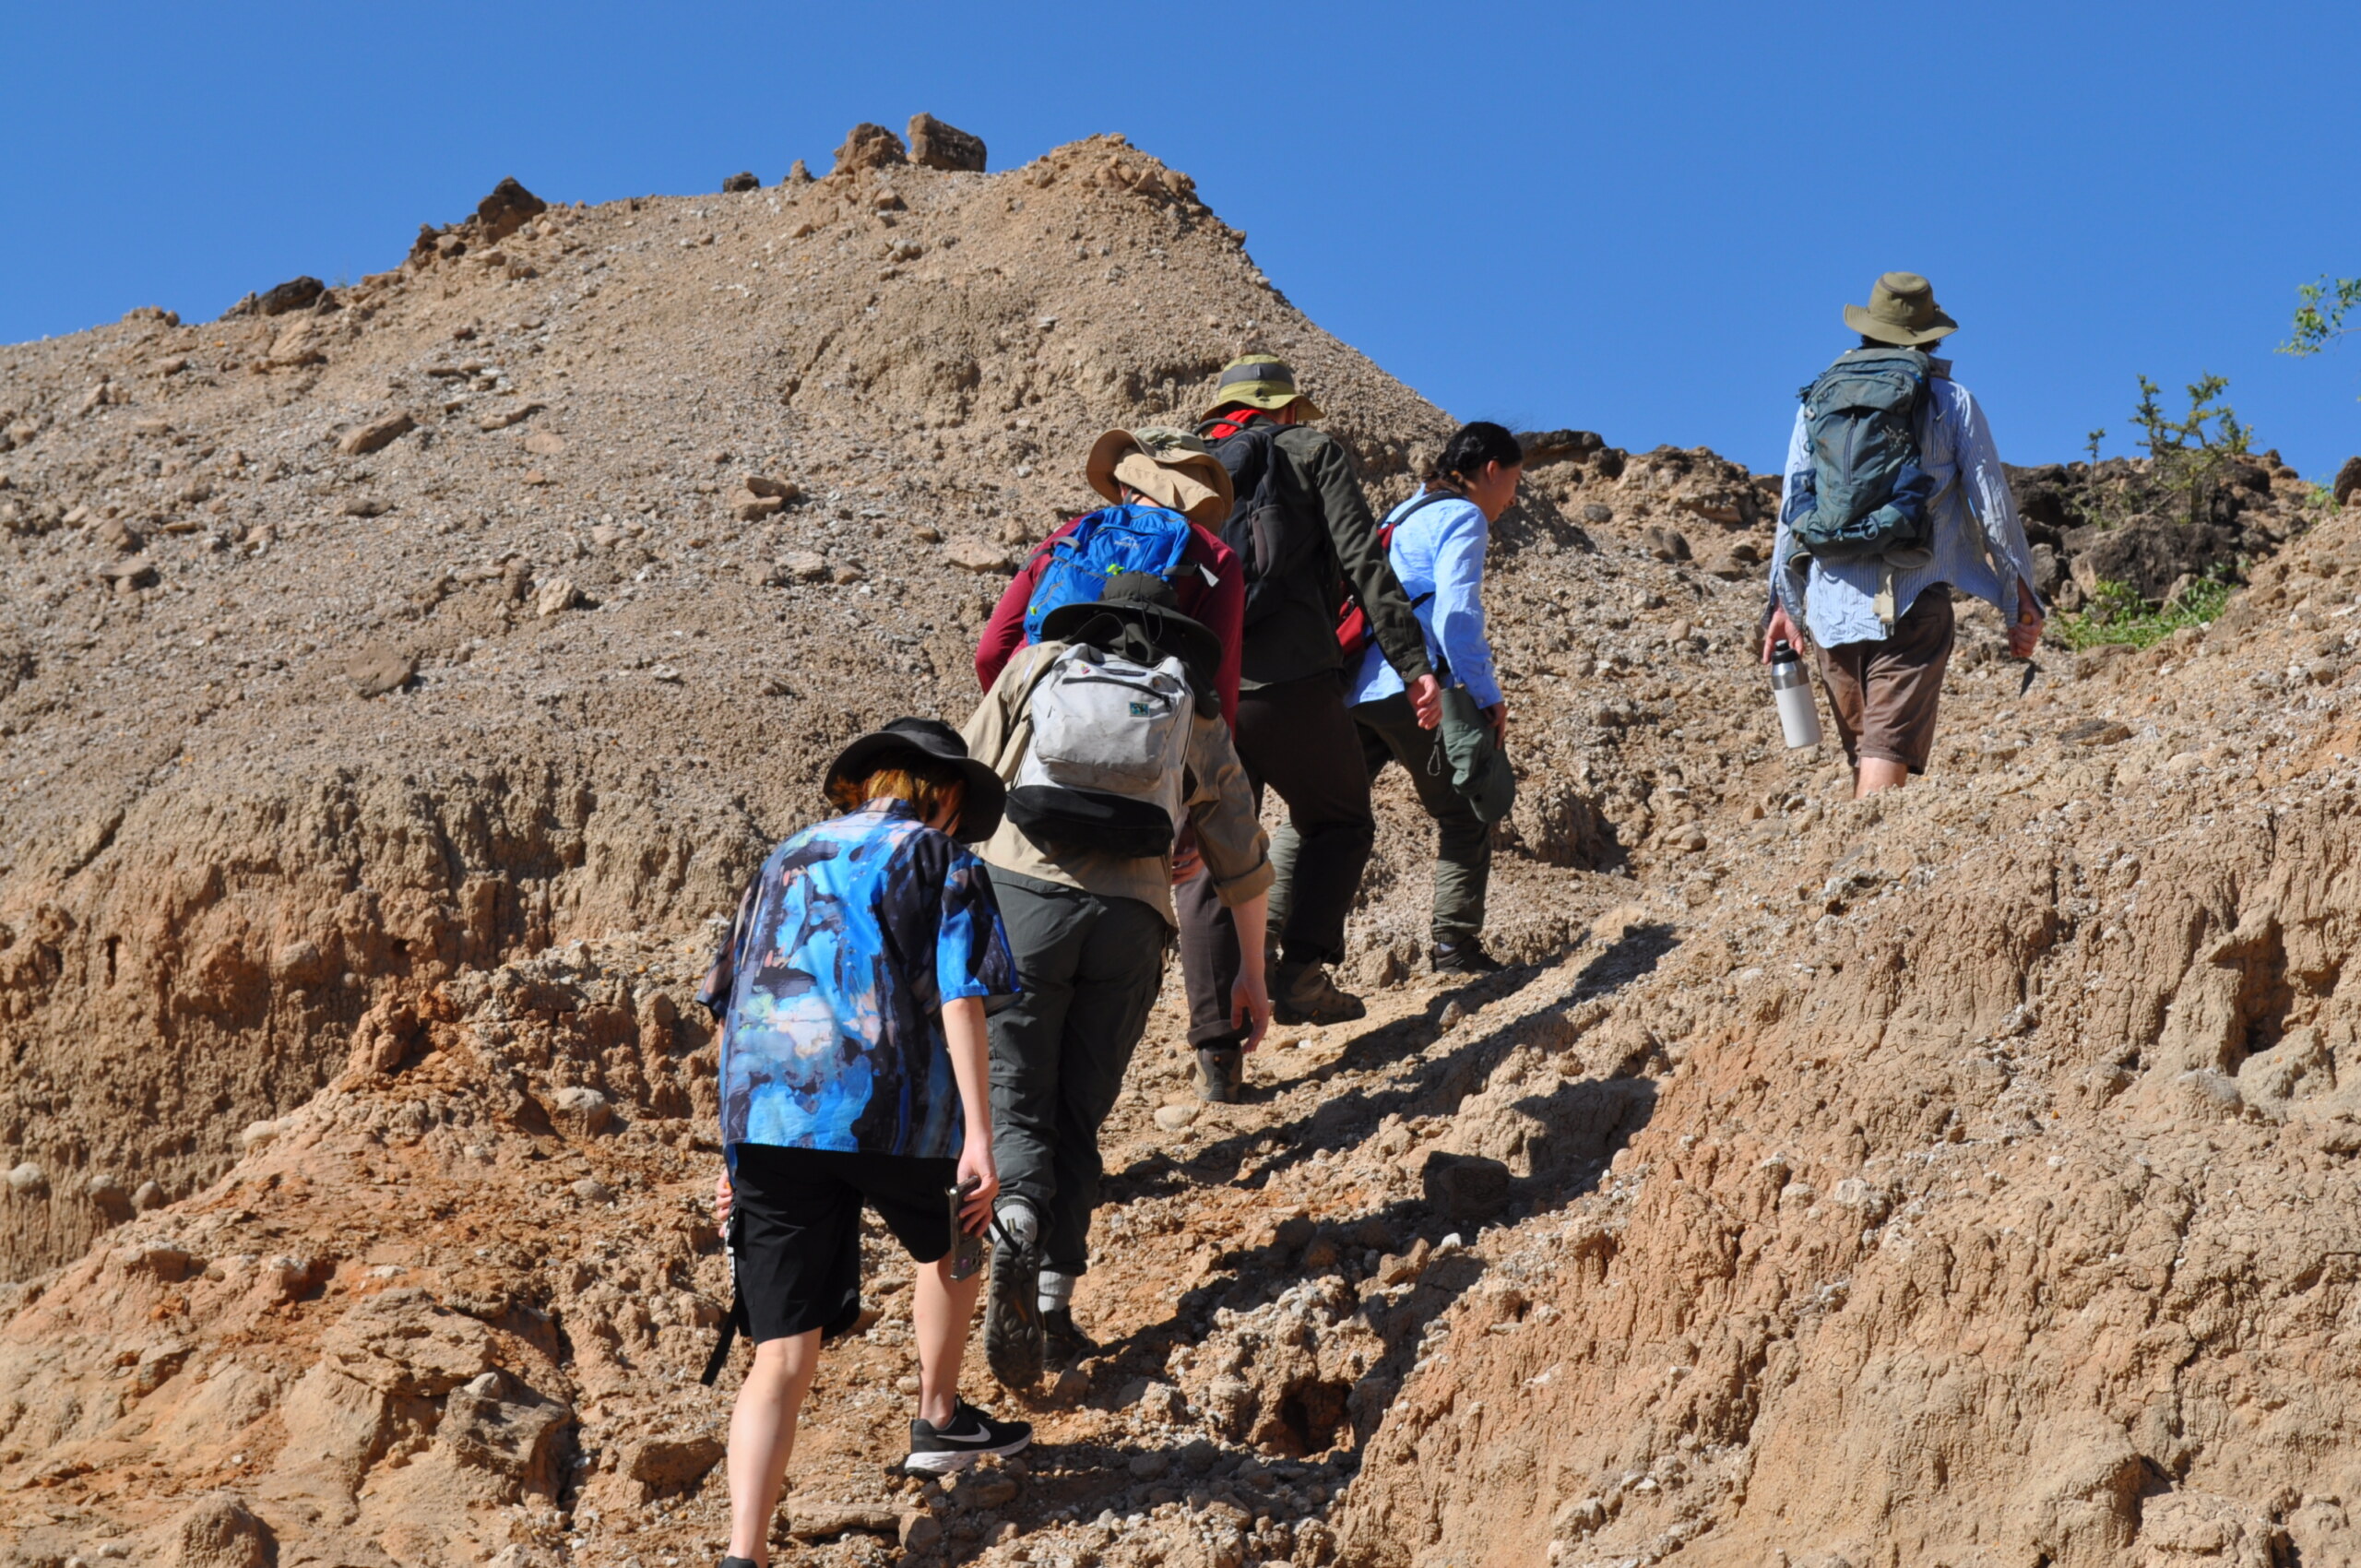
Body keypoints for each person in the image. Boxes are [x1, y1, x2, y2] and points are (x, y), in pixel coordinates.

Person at [695, 719, 1028, 1566]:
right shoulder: (941, 858)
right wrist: (980, 1135)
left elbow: (734, 1004)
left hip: (768, 1122)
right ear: (942, 794)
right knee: (958, 1235)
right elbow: (961, 995)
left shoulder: (783, 858)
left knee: (779, 1355)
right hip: (890, 1110)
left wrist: (734, 1152)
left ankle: (743, 1553)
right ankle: (939, 1416)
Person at [962, 572, 1275, 1385]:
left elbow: (966, 777)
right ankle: (1055, 1310)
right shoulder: (1189, 699)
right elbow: (1240, 845)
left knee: (1017, 1096)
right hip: (1130, 920)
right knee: (1080, 1109)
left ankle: (1016, 1219)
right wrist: (1251, 973)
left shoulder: (1039, 665)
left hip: (1022, 899)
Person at [977, 428, 1260, 1102]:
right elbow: (1216, 696)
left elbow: (994, 650)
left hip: (1032, 801)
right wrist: (1188, 811)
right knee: (1093, 1058)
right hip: (1141, 809)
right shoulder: (1213, 556)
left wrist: (1033, 719)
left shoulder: (1071, 536)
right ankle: (1216, 1052)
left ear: (1128, 483)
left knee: (1013, 1059)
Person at [1194, 354, 1443, 1030]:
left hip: (1204, 687)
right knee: (1339, 822)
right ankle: (1300, 976)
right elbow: (1364, 559)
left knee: (1218, 856)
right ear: (1283, 407)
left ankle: (1216, 1045)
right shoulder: (1310, 449)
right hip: (1292, 681)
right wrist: (1413, 663)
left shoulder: (1188, 462)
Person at [1762, 272, 2045, 798]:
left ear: (1868, 327)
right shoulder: (1950, 401)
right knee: (1883, 768)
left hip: (1831, 614)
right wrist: (2019, 596)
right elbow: (1993, 507)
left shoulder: (1817, 401)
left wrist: (1784, 605)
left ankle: (1854, 849)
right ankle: (1866, 853)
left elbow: (1792, 506)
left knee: (1865, 762)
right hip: (1911, 607)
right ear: (1929, 336)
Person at [1347, 422, 1521, 974]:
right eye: (1514, 483)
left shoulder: (1404, 512)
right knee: (1466, 811)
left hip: (1355, 686)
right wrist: (1485, 693)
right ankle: (1454, 946)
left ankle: (1266, 942)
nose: (1512, 500)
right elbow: (1455, 615)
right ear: (1490, 470)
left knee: (1323, 814)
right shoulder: (1464, 517)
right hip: (1415, 687)